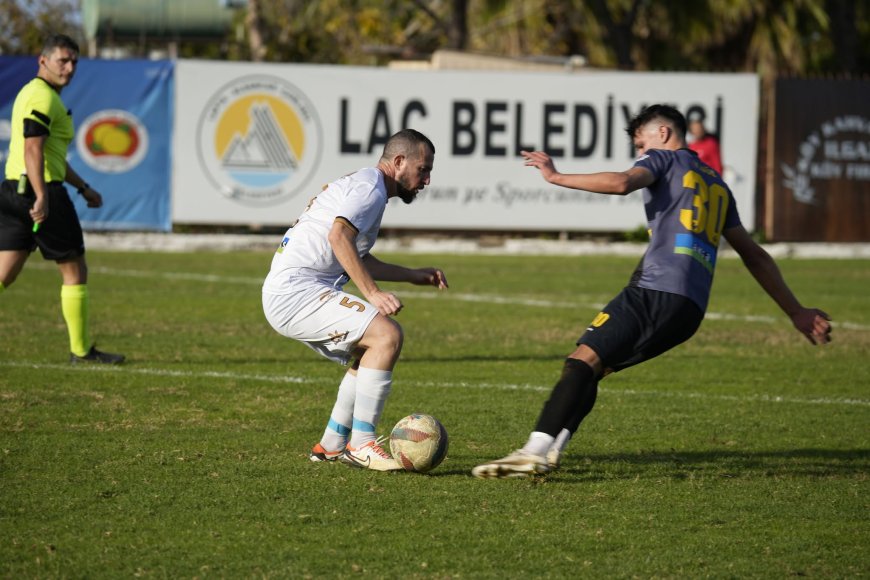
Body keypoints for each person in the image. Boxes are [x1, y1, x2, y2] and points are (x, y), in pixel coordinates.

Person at [472, 104, 831, 479]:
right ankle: (553, 450)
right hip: (689, 311)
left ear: (662, 134)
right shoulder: (717, 184)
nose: (639, 154)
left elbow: (622, 183)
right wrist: (796, 311)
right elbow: (754, 255)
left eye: (640, 143)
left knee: (580, 361)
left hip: (656, 290)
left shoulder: (664, 158)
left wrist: (556, 176)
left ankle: (533, 450)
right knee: (593, 367)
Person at [262, 129, 448, 472]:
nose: (427, 179)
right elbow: (338, 238)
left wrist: (411, 274)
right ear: (399, 162)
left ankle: (331, 445)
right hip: (296, 292)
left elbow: (357, 254)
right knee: (387, 336)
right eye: (423, 169)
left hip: (294, 290)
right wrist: (373, 294)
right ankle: (361, 443)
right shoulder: (369, 190)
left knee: (369, 348)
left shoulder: (368, 186)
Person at [0, 34, 125, 364]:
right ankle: (81, 352)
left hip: (13, 190)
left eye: (74, 62)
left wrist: (83, 187)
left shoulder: (37, 94)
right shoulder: (42, 97)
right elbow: (32, 148)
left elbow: (51, 155)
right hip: (42, 194)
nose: (69, 68)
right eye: (62, 61)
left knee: (5, 274)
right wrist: (43, 195)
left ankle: (81, 351)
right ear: (43, 61)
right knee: (74, 271)